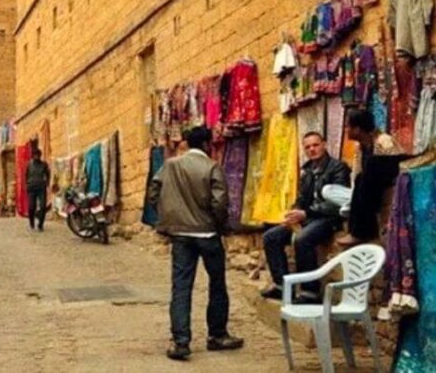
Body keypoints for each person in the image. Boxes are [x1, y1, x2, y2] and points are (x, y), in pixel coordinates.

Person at [147, 126, 244, 361]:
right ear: (207, 144)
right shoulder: (212, 167)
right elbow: (219, 204)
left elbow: (153, 193)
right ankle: (217, 335)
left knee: (181, 287)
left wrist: (168, 215)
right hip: (208, 234)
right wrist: (222, 227)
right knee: (217, 283)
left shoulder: (170, 165)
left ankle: (180, 341)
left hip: (180, 235)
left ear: (188, 143)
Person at [260, 132, 351, 304]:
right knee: (271, 237)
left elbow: (337, 202)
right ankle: (282, 287)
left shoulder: (338, 168)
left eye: (315, 145)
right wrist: (294, 213)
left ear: (324, 144)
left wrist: (306, 213)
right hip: (308, 217)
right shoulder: (307, 170)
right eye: (308, 147)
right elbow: (302, 199)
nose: (312, 150)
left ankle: (310, 292)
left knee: (302, 239)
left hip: (328, 218)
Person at [337, 109, 403, 246]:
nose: (346, 130)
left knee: (371, 167)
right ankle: (354, 222)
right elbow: (355, 175)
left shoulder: (384, 141)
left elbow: (396, 169)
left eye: (348, 126)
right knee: (329, 189)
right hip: (366, 191)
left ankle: (360, 231)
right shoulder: (360, 148)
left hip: (386, 187)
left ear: (358, 129)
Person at [26, 149, 51, 231]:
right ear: (33, 156)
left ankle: (40, 224)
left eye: (38, 155)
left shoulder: (44, 164)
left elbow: (48, 174)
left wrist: (47, 183)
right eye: (35, 155)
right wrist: (28, 184)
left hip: (41, 188)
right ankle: (31, 222)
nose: (36, 156)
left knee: (43, 206)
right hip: (32, 188)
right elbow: (26, 175)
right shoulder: (29, 164)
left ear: (40, 156)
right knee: (31, 207)